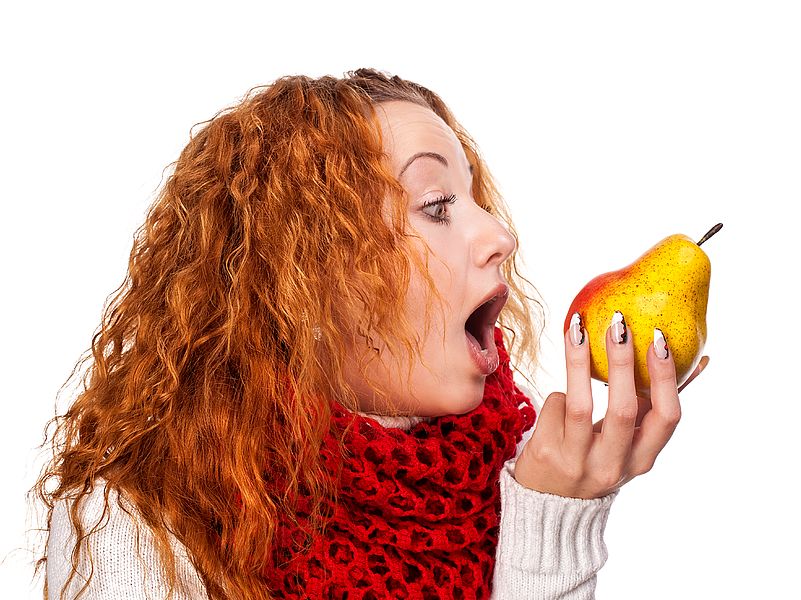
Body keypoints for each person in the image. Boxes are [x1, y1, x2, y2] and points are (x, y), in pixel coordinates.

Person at [34, 68, 706, 599]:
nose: (499, 236)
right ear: (309, 273)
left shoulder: (525, 476)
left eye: (476, 201)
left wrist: (555, 519)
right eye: (438, 205)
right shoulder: (140, 519)